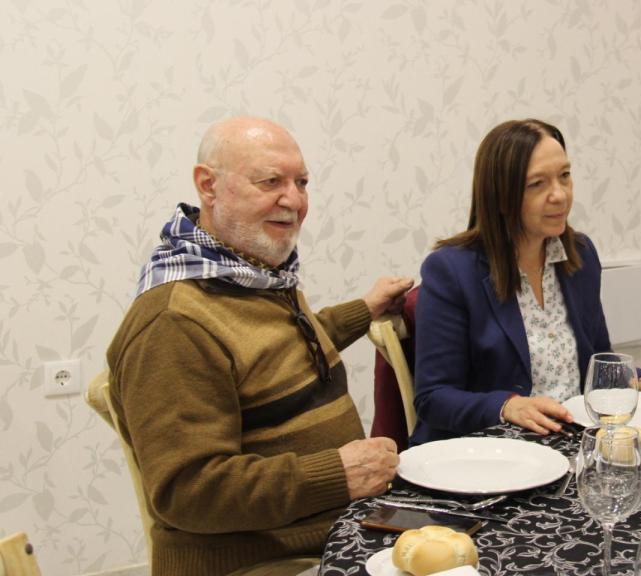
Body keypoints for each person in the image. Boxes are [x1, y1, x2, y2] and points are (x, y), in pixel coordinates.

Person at [105, 116, 412, 575]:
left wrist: (362, 309)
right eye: (271, 181)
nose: (294, 200)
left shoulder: (250, 275)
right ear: (208, 186)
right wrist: (336, 474)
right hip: (263, 561)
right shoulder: (173, 322)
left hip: (332, 527)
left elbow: (276, 353)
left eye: (301, 182)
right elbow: (187, 491)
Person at [412, 119, 641, 445]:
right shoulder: (451, 270)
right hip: (489, 454)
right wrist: (507, 405)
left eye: (565, 175)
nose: (560, 194)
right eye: (537, 184)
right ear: (501, 195)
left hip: (571, 443)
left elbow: (598, 363)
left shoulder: (579, 255)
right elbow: (433, 398)